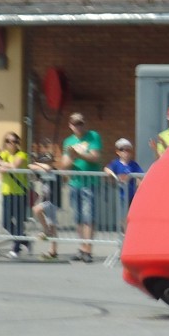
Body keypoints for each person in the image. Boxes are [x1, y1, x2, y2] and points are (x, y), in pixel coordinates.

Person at [61, 112, 102, 263]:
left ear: (84, 124)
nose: (78, 126)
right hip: (74, 183)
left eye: (80, 123)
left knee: (88, 217)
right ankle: (82, 248)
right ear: (70, 125)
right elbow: (64, 166)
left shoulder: (93, 136)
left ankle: (88, 250)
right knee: (78, 218)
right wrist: (71, 157)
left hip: (89, 182)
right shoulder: (68, 141)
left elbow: (96, 157)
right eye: (75, 124)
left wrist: (78, 154)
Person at [0, 131, 31, 258]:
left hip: (19, 192)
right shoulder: (4, 154)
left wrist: (1, 163)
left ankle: (16, 248)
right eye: (8, 141)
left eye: (14, 141)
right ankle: (23, 239)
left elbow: (14, 166)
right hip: (7, 191)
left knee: (19, 222)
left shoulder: (22, 155)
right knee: (6, 222)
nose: (11, 144)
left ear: (18, 143)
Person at [29, 146, 60, 260]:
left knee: (37, 210)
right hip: (46, 200)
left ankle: (46, 232)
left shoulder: (54, 171)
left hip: (53, 201)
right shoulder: (42, 171)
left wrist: (37, 163)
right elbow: (31, 168)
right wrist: (34, 164)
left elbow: (47, 168)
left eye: (49, 161)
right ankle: (53, 250)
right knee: (52, 225)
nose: (47, 163)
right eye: (45, 161)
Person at [106, 138, 145, 215]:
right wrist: (114, 176)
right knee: (122, 216)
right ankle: (125, 227)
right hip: (120, 196)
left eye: (128, 150)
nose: (125, 152)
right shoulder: (115, 163)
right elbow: (107, 169)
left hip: (132, 196)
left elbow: (141, 175)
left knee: (132, 215)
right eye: (122, 150)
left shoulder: (133, 164)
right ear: (118, 152)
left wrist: (139, 183)